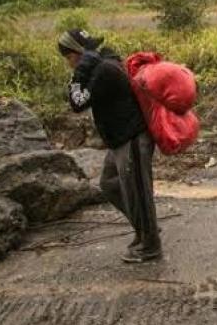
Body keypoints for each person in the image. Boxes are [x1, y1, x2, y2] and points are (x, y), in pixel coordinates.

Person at [58, 29, 162, 263]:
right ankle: (144, 229)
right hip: (119, 140)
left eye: (69, 58)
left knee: (138, 192)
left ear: (78, 54)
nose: (68, 63)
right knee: (109, 184)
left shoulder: (104, 69)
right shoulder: (102, 65)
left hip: (132, 138)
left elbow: (77, 103)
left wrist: (79, 73)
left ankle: (151, 244)